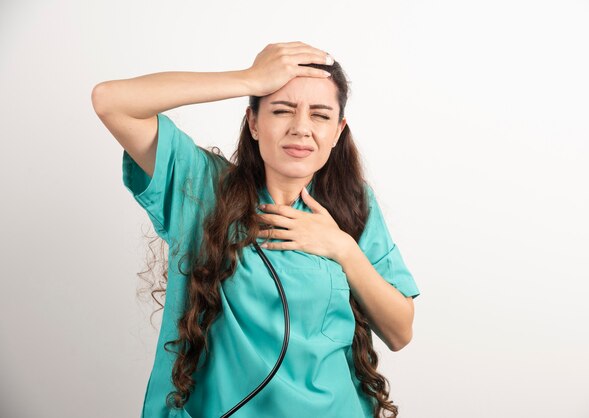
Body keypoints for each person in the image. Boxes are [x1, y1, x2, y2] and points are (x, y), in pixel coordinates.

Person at [92, 41, 420, 418]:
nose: (301, 128)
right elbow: (111, 101)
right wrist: (250, 78)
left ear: (337, 130)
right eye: (282, 110)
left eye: (320, 115)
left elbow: (400, 331)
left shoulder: (351, 202)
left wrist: (342, 248)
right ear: (253, 123)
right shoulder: (202, 188)